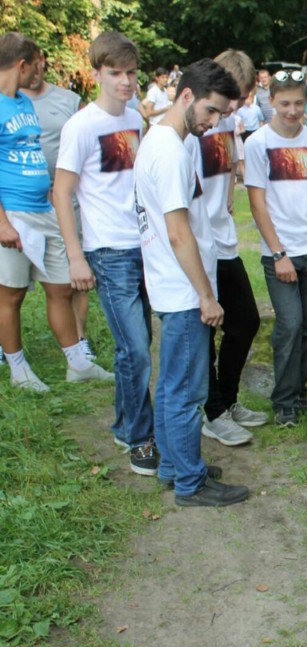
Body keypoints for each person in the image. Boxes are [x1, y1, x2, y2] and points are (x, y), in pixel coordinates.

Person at [134, 58, 249, 507]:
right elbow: (178, 232)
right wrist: (206, 295)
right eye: (210, 110)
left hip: (171, 284)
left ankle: (173, 466)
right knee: (186, 392)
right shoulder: (169, 152)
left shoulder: (164, 141)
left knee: (171, 386)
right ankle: (190, 482)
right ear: (186, 95)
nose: (214, 121)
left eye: (221, 113)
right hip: (183, 291)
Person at [54, 32, 160, 473]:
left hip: (144, 245)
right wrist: (75, 257)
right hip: (107, 251)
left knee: (137, 345)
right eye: (115, 73)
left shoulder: (135, 118)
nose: (125, 81)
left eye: (131, 73)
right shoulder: (81, 126)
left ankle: (123, 423)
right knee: (134, 349)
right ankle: (140, 438)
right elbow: (61, 193)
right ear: (97, 73)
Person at [0, 33, 113, 393]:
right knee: (11, 295)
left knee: (61, 286)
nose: (41, 73)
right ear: (22, 65)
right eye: (37, 66)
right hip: (13, 214)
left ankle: (77, 363)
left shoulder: (21, 102)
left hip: (43, 208)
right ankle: (18, 369)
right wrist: (2, 222)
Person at [244, 68, 307, 427]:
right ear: (271, 101)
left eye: (299, 103)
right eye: (284, 103)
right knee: (290, 324)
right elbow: (257, 203)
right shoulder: (258, 143)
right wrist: (278, 253)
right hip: (281, 253)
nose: (292, 111)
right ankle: (283, 400)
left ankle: (298, 392)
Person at [192, 49, 266, 447]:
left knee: (246, 321)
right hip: (197, 245)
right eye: (231, 96)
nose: (235, 105)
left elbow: (227, 176)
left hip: (223, 241)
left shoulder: (229, 123)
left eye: (242, 97)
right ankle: (212, 412)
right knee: (205, 332)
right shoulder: (194, 127)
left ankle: (228, 398)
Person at [21, 52, 94, 359]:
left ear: (42, 61)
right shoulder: (8, 102)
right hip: (20, 199)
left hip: (66, 196)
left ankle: (79, 341)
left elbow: (90, 145)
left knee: (74, 273)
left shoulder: (69, 100)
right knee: (9, 280)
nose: (33, 70)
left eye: (37, 63)